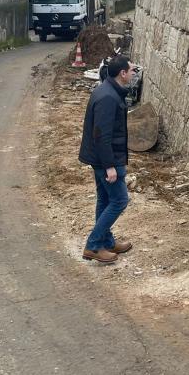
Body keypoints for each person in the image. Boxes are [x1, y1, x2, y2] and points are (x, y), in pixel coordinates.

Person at [79, 55, 137, 263]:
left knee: (105, 199)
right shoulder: (108, 97)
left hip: (104, 158)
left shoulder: (110, 91)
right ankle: (93, 245)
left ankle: (107, 241)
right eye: (131, 70)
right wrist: (110, 166)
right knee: (120, 200)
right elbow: (101, 135)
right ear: (122, 73)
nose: (133, 73)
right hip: (107, 159)